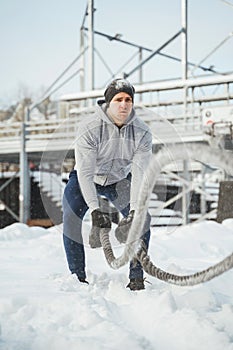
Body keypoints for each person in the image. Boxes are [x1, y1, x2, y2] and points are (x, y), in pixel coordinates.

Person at [62, 78, 152, 291]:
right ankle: (78, 277)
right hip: (87, 178)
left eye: (128, 99)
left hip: (119, 180)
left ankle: (136, 278)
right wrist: (95, 210)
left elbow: (139, 173)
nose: (124, 104)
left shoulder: (142, 132)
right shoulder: (90, 127)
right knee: (70, 217)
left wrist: (133, 211)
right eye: (118, 99)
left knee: (142, 221)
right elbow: (84, 171)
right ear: (108, 102)